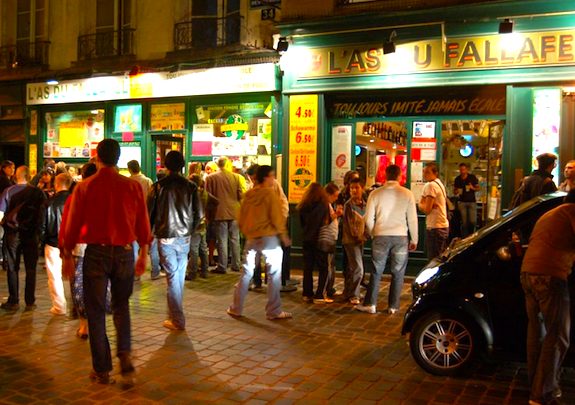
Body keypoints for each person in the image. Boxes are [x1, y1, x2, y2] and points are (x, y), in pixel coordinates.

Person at [61, 139, 151, 385]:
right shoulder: (131, 186)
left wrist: (67, 254)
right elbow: (142, 221)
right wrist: (143, 252)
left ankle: (101, 369)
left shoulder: (85, 187)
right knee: (122, 306)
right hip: (124, 252)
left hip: (96, 253)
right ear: (118, 158)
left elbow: (73, 223)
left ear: (97, 158)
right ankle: (124, 352)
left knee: (96, 311)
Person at [520, 189, 575, 405]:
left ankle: (535, 383)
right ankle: (543, 393)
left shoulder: (550, 213)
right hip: (550, 276)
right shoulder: (572, 212)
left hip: (527, 273)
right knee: (558, 334)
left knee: (537, 331)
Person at [227, 165, 292, 320]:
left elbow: (241, 217)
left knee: (246, 273)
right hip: (269, 238)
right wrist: (283, 235)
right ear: (266, 177)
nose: (273, 179)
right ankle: (273, 310)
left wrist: (248, 231)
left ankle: (236, 308)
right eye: (271, 176)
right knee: (274, 274)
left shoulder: (249, 195)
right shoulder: (269, 194)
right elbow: (276, 217)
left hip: (252, 239)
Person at [148, 151, 200, 331]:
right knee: (177, 276)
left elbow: (150, 214)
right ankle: (174, 313)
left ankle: (177, 319)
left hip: (166, 236)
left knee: (173, 277)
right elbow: (199, 214)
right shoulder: (191, 186)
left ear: (166, 165)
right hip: (184, 237)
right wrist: (189, 230)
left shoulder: (157, 187)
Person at [356, 165, 418, 315]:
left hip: (381, 235)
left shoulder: (375, 194)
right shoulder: (407, 194)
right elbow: (412, 219)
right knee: (398, 272)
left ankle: (371, 304)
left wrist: (372, 233)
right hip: (401, 236)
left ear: (385, 175)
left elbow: (369, 218)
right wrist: (414, 238)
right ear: (399, 176)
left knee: (376, 271)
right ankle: (393, 306)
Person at [0, 166, 46, 311]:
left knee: (13, 267)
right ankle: (30, 300)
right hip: (31, 234)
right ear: (29, 175)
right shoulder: (38, 193)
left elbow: (0, 214)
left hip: (13, 234)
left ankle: (13, 300)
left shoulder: (8, 191)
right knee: (31, 268)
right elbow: (43, 214)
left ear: (15, 176)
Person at [205, 156, 245, 274]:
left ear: (218, 165)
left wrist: (208, 214)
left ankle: (222, 265)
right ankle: (236, 264)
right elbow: (240, 195)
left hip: (219, 212)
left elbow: (208, 196)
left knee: (221, 239)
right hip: (235, 212)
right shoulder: (237, 177)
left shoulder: (210, 178)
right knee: (235, 238)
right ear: (227, 164)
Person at [40, 173, 73, 316]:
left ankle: (59, 306)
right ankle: (78, 306)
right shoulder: (76, 200)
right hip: (74, 243)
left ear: (56, 184)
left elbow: (42, 226)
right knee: (76, 275)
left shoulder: (49, 202)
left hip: (53, 243)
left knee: (54, 275)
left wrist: (41, 242)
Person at [297, 183, 331, 303]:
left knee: (308, 267)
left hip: (307, 239)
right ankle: (320, 294)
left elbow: (302, 223)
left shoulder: (303, 206)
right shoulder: (323, 205)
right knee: (323, 268)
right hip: (320, 239)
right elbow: (326, 222)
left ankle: (307, 293)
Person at [341, 177, 367, 305]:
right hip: (351, 241)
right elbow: (351, 226)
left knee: (353, 268)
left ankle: (348, 292)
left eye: (356, 188)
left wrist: (366, 235)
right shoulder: (348, 205)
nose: (354, 190)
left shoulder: (365, 204)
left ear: (362, 188)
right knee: (358, 268)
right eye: (351, 188)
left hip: (361, 241)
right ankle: (354, 295)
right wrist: (359, 236)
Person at [418, 162, 449, 260]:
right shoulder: (439, 183)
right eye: (424, 172)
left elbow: (426, 209)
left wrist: (420, 205)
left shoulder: (431, 186)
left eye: (427, 172)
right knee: (439, 257)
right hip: (442, 226)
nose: (424, 174)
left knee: (433, 260)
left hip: (435, 227)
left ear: (435, 173)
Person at [186, 174, 211, 280]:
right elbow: (216, 202)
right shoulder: (204, 193)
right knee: (203, 248)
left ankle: (192, 272)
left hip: (195, 223)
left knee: (194, 249)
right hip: (203, 223)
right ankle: (205, 271)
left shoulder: (193, 194)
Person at [322, 182, 343, 300]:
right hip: (327, 239)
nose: (336, 198)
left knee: (331, 265)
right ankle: (325, 291)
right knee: (327, 266)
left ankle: (329, 289)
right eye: (334, 196)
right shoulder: (324, 205)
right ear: (328, 194)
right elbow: (326, 221)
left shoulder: (329, 204)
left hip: (331, 238)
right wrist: (337, 214)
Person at [453, 163, 480, 237]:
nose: (462, 171)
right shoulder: (457, 179)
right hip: (462, 202)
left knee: (473, 221)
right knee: (464, 222)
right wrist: (456, 191)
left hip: (472, 202)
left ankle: (472, 236)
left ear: (467, 170)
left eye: (464, 169)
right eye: (461, 170)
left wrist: (472, 188)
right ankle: (464, 238)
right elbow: (454, 191)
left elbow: (478, 188)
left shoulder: (472, 177)